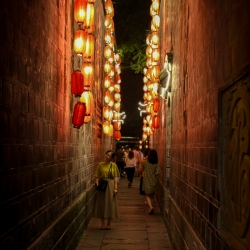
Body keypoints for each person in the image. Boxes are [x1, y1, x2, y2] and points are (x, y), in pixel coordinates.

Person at [93, 150, 120, 229]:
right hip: (102, 185)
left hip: (110, 185)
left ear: (111, 158)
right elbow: (97, 175)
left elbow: (115, 178)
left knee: (110, 203)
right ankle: (102, 223)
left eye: (109, 155)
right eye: (106, 154)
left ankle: (108, 223)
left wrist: (115, 188)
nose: (107, 156)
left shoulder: (114, 166)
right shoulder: (100, 165)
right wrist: (97, 184)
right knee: (102, 204)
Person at [142, 149, 160, 215]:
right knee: (152, 195)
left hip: (146, 180)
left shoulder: (145, 162)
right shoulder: (157, 164)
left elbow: (142, 169)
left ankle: (150, 207)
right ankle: (150, 208)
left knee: (146, 194)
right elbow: (157, 173)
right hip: (153, 180)